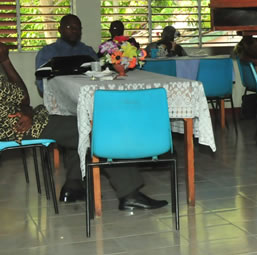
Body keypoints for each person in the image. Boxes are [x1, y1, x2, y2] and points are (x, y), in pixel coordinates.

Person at [3, 41, 167, 210]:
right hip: (12, 125)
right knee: (99, 131)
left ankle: (73, 186)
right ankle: (130, 193)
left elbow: (21, 97)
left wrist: (5, 62)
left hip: (25, 118)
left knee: (79, 123)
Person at [35, 14, 98, 96]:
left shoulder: (88, 52)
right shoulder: (47, 52)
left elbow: (98, 77)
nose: (74, 30)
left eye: (77, 28)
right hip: (59, 100)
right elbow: (42, 85)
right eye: (69, 27)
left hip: (87, 97)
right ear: (60, 30)